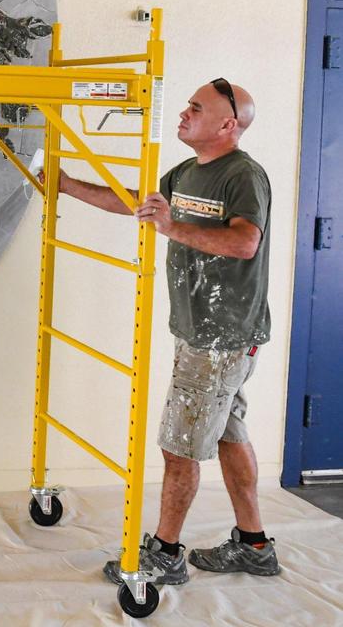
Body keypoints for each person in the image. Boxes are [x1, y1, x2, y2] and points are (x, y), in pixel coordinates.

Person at [44, 78, 280, 587]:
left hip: (220, 337)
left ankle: (166, 555)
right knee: (229, 433)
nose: (183, 113)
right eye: (187, 106)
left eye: (196, 108)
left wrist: (173, 229)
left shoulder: (243, 175)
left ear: (227, 124)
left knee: (179, 447)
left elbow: (245, 243)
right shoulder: (188, 172)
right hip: (204, 332)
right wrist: (66, 185)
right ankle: (254, 545)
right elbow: (139, 203)